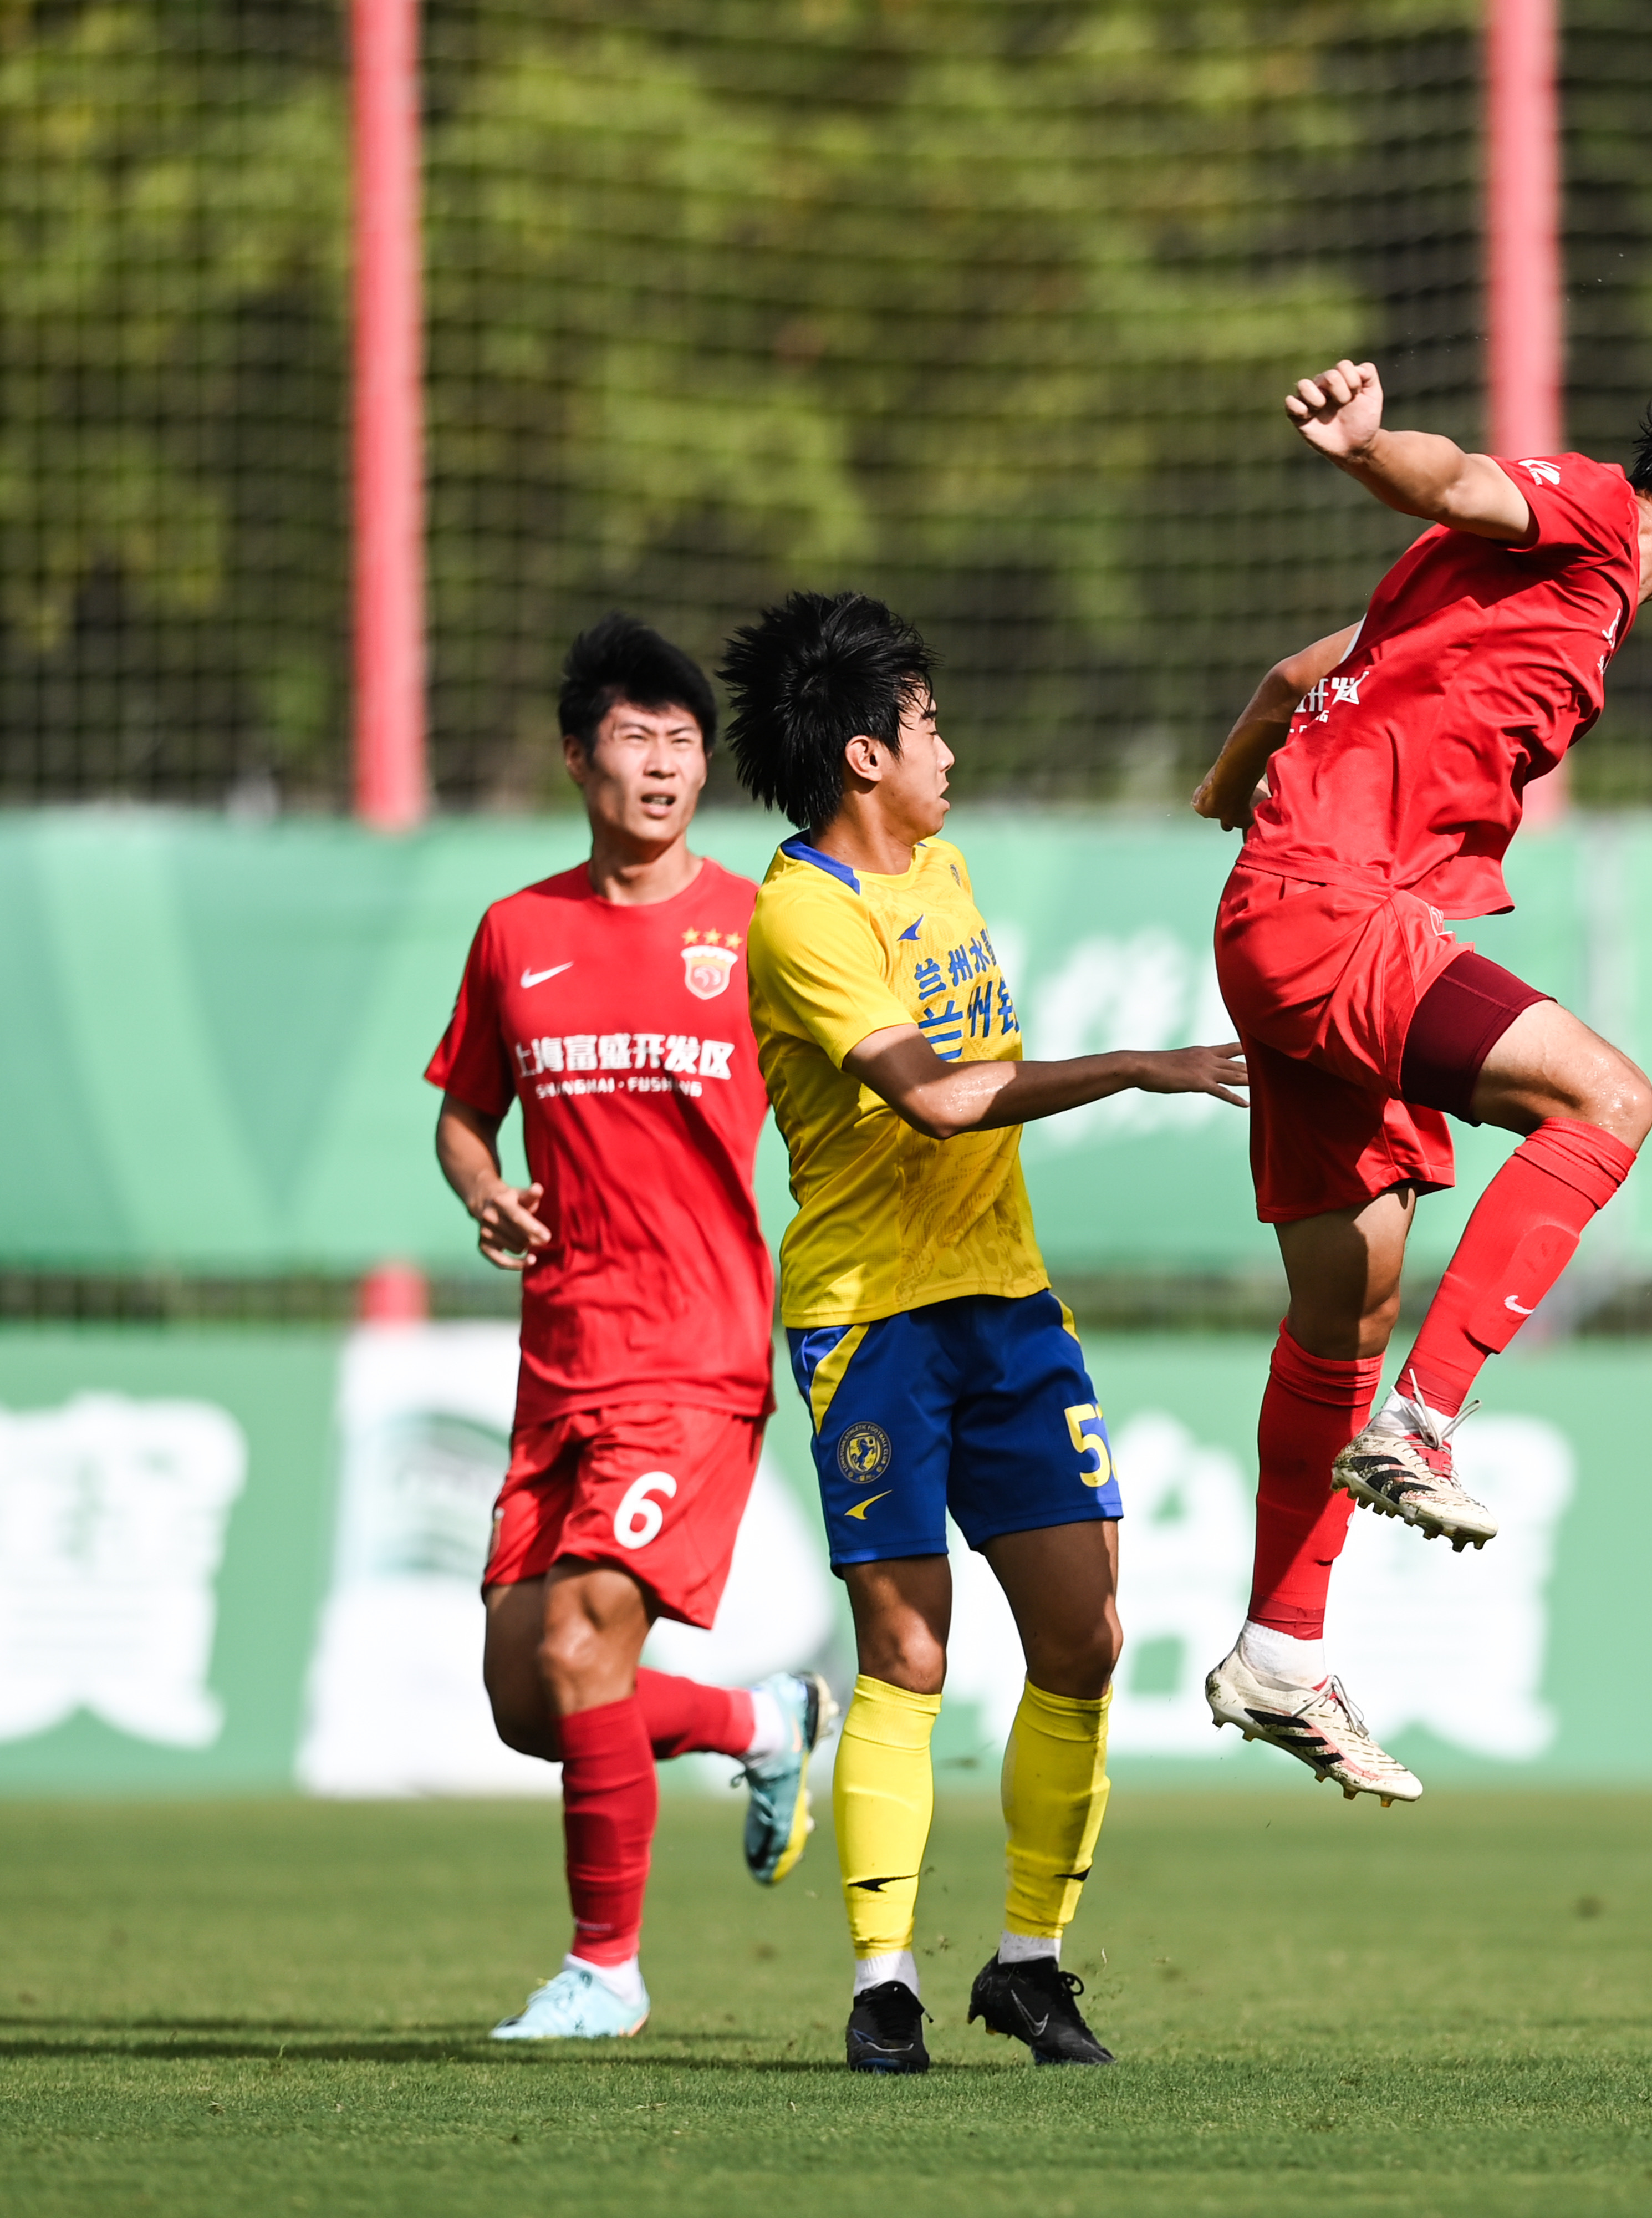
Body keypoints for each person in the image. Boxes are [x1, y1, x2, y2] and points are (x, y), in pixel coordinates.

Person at [1187, 333, 1652, 1804]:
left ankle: (1278, 1651)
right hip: (1330, 915)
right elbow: (1465, 483)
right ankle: (1427, 1422)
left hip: (1285, 916)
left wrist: (1228, 788)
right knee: (1609, 1101)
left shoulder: (1555, 597)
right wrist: (1370, 446)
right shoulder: (1595, 517)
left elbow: (1305, 671)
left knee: (1337, 1317)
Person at [721, 589, 1246, 2075]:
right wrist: (1141, 1065)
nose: (949, 743)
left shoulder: (945, 869)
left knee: (1085, 1638)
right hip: (869, 1321)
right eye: (930, 719)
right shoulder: (803, 912)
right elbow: (941, 1095)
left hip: (1006, 1304)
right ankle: (883, 1983)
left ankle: (1029, 1964)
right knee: (908, 1648)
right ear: (863, 751)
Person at [427, 614, 833, 2042]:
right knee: (530, 1701)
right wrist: (487, 1192)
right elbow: (464, 1114)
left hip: (698, 1351)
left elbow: (860, 1088)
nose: (663, 767)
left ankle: (605, 1968)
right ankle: (759, 1722)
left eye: (683, 744)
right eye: (636, 738)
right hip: (560, 1365)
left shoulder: (763, 925)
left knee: (591, 1635)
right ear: (578, 756)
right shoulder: (516, 933)